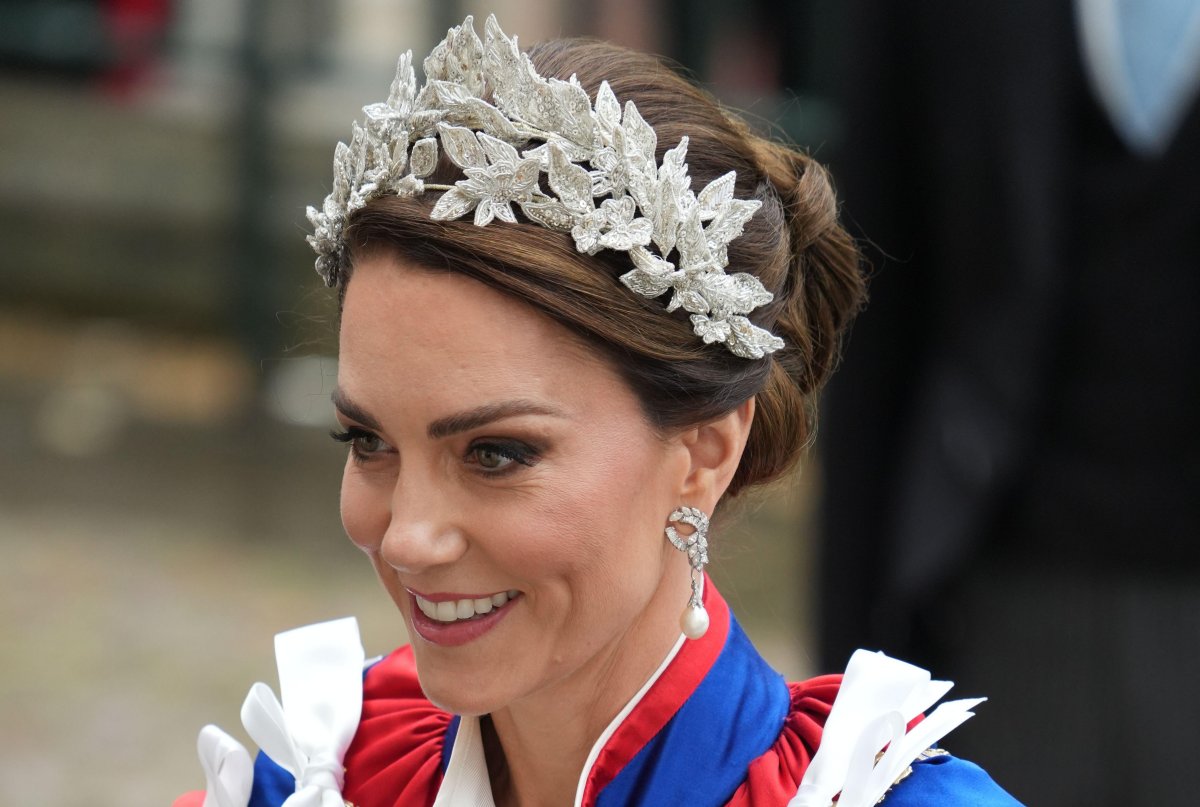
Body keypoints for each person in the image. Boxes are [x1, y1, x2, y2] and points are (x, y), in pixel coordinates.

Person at [174, 16, 1020, 807]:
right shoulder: (319, 776)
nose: (405, 538)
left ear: (704, 453)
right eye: (367, 440)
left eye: (495, 453)